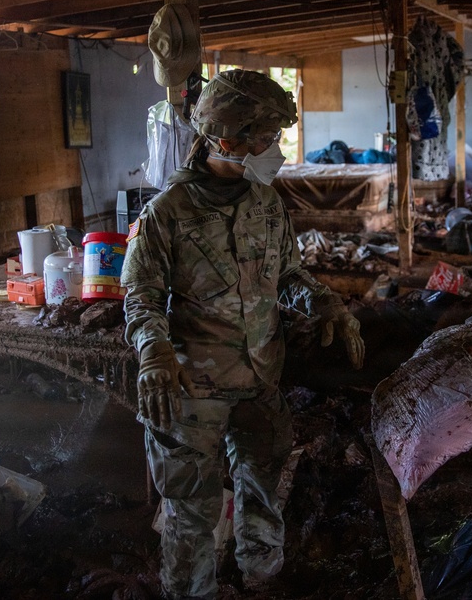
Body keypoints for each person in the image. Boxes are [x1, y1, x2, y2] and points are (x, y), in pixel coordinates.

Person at [121, 69, 365, 600]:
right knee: (191, 510)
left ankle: (261, 579)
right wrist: (154, 352)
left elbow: (287, 277)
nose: (274, 149)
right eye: (266, 138)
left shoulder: (266, 203)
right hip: (194, 391)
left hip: (260, 378)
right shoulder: (166, 214)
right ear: (226, 140)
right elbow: (139, 297)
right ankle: (193, 591)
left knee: (262, 490)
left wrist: (324, 301)